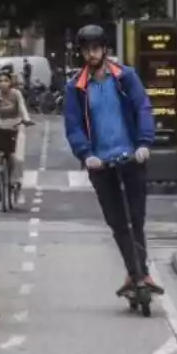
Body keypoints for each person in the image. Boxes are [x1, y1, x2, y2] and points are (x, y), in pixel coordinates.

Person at [63, 24, 161, 297]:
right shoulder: (76, 87)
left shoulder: (125, 77)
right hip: (100, 163)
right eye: (86, 50)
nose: (91, 54)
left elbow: (142, 109)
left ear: (105, 49)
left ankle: (140, 274)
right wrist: (86, 154)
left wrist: (144, 144)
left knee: (136, 218)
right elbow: (73, 126)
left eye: (96, 48)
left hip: (131, 157)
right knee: (118, 221)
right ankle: (137, 273)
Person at [0, 70, 34, 196]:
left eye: (6, 80)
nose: (3, 84)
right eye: (0, 81)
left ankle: (16, 180)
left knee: (17, 157)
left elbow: (22, 108)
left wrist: (26, 119)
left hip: (16, 126)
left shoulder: (16, 94)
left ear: (11, 82)